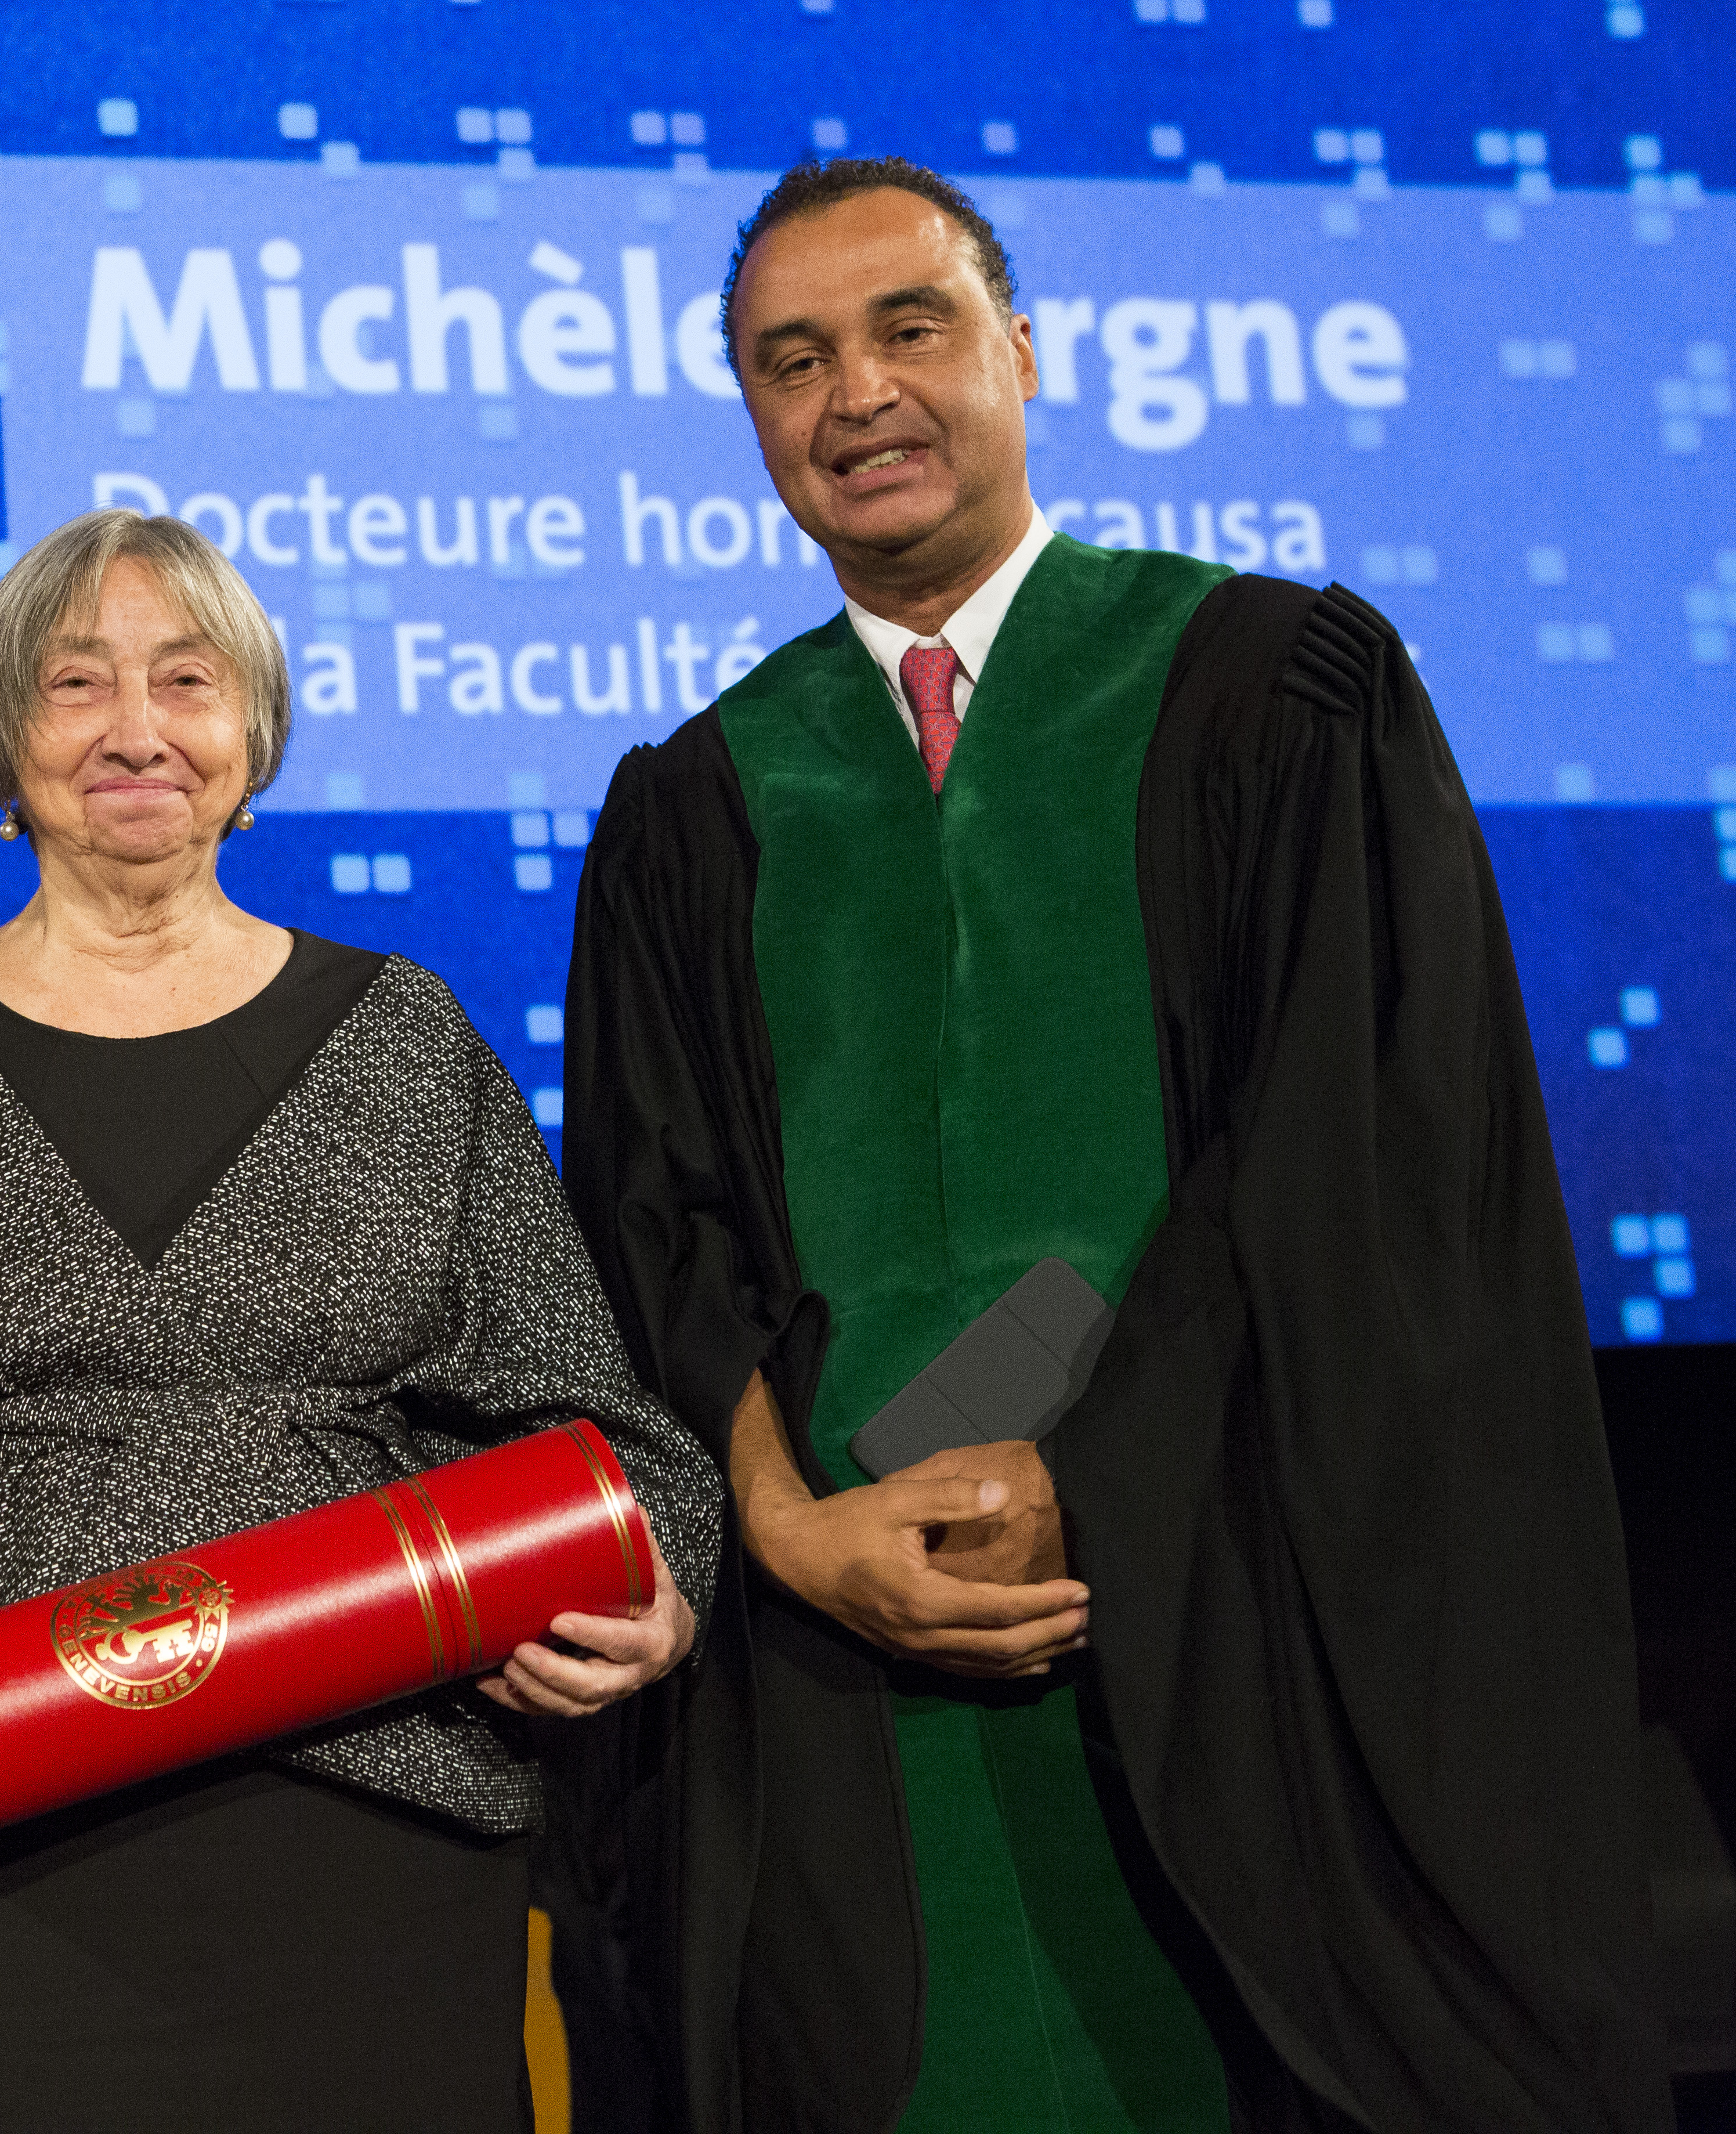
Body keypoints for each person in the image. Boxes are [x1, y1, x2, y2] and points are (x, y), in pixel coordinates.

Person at [559, 158, 1672, 2132]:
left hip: (1231, 1606)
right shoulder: (697, 804)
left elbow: (1365, 1171)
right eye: (790, 361)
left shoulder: (1270, 690)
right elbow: (657, 1229)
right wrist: (795, 1529)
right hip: (836, 1658)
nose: (856, 397)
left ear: (1026, 355)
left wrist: (1103, 1474)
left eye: (912, 328)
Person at [0, 507, 725, 2133]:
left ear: (252, 736)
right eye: (76, 683)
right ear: (5, 743)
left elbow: (599, 1433)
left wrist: (647, 1600)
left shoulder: (405, 1038)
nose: (136, 729)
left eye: (187, 679)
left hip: (378, 1820)